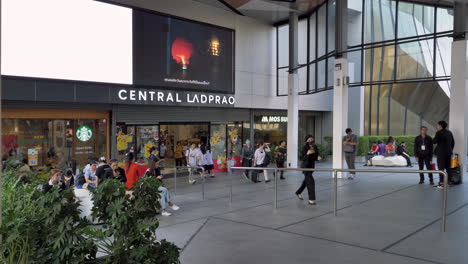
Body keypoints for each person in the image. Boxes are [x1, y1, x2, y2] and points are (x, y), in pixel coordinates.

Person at [296, 135, 320, 205]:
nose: (311, 140)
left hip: (311, 167)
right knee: (311, 182)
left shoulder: (315, 147)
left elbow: (315, 157)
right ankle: (311, 199)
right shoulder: (304, 147)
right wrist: (307, 154)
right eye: (309, 139)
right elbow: (302, 158)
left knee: (306, 182)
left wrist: (317, 158)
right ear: (306, 140)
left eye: (312, 139)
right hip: (305, 167)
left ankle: (298, 192)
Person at [433, 120, 455, 188]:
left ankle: (441, 183)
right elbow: (453, 142)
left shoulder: (439, 132)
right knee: (448, 168)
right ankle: (449, 182)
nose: (437, 126)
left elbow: (434, 141)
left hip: (441, 153)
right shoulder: (449, 132)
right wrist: (450, 149)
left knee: (441, 168)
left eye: (438, 125)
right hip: (449, 152)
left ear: (440, 125)